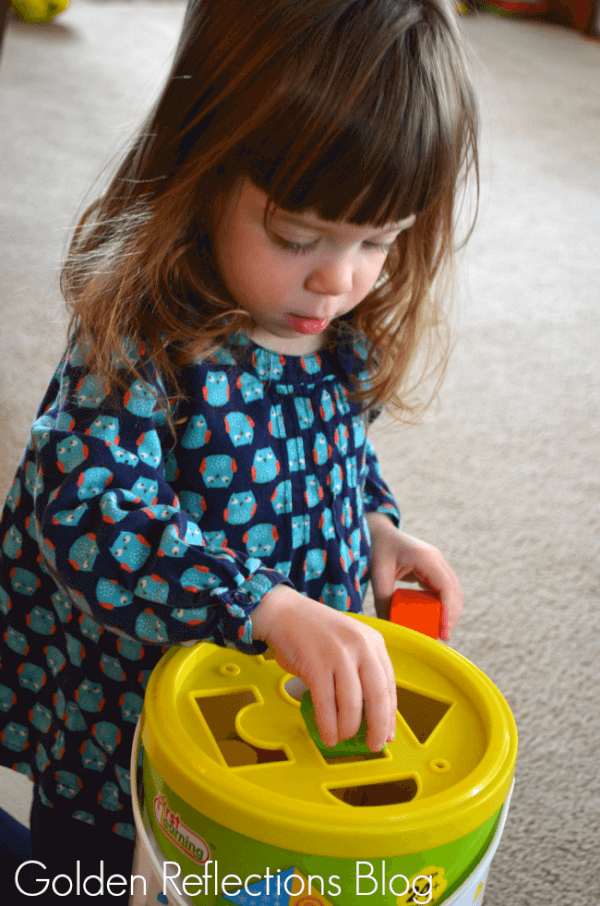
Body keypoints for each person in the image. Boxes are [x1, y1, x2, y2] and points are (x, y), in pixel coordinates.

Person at [0, 0, 478, 898]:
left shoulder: (339, 327)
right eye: (298, 235)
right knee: (98, 880)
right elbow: (90, 517)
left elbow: (338, 452)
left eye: (379, 240)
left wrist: (376, 526)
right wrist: (261, 603)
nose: (339, 278)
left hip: (276, 733)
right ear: (203, 169)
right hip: (134, 747)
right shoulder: (142, 341)